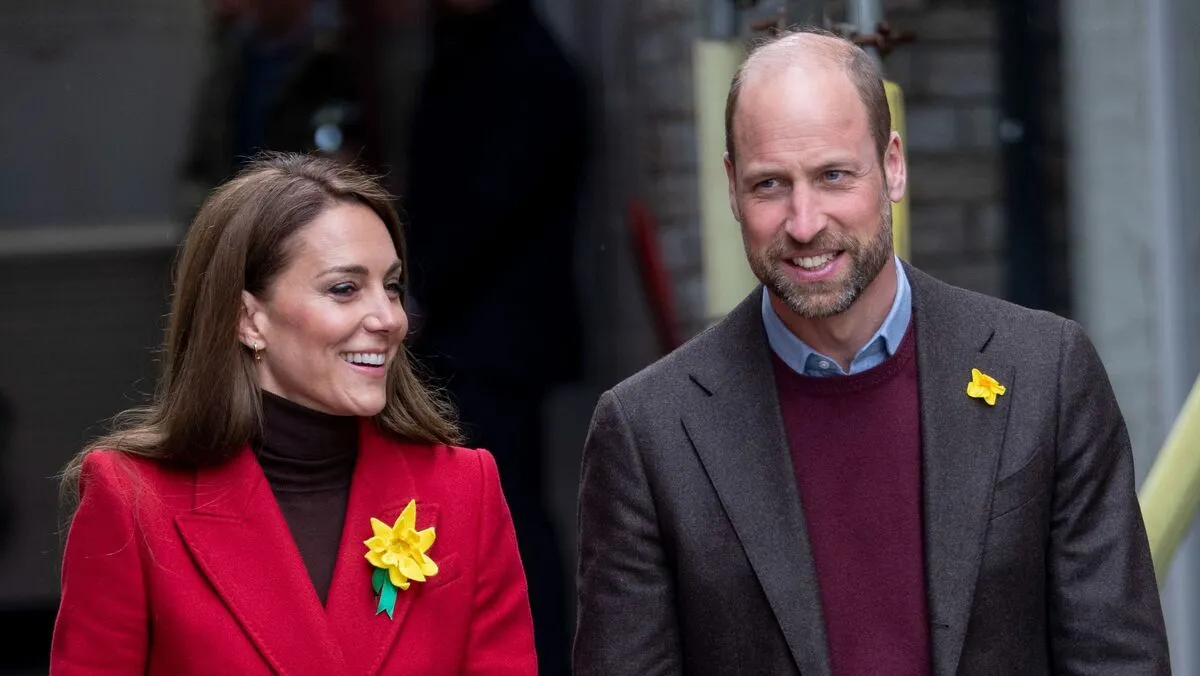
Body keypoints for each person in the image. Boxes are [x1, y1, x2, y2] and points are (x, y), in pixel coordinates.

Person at [574, 27, 1170, 676]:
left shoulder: (1044, 376)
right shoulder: (649, 434)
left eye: (833, 175)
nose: (804, 223)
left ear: (893, 165)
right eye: (770, 185)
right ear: (730, 187)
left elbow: (1118, 662)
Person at [51, 153, 536, 674]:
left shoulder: (465, 488)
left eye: (392, 286)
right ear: (247, 319)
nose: (389, 318)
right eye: (344, 288)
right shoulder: (131, 499)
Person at [402, 1, 589, 672]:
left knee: (507, 517)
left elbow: (488, 205)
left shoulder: (524, 66)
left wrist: (417, 293)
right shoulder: (471, 50)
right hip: (472, 329)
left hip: (495, 334)